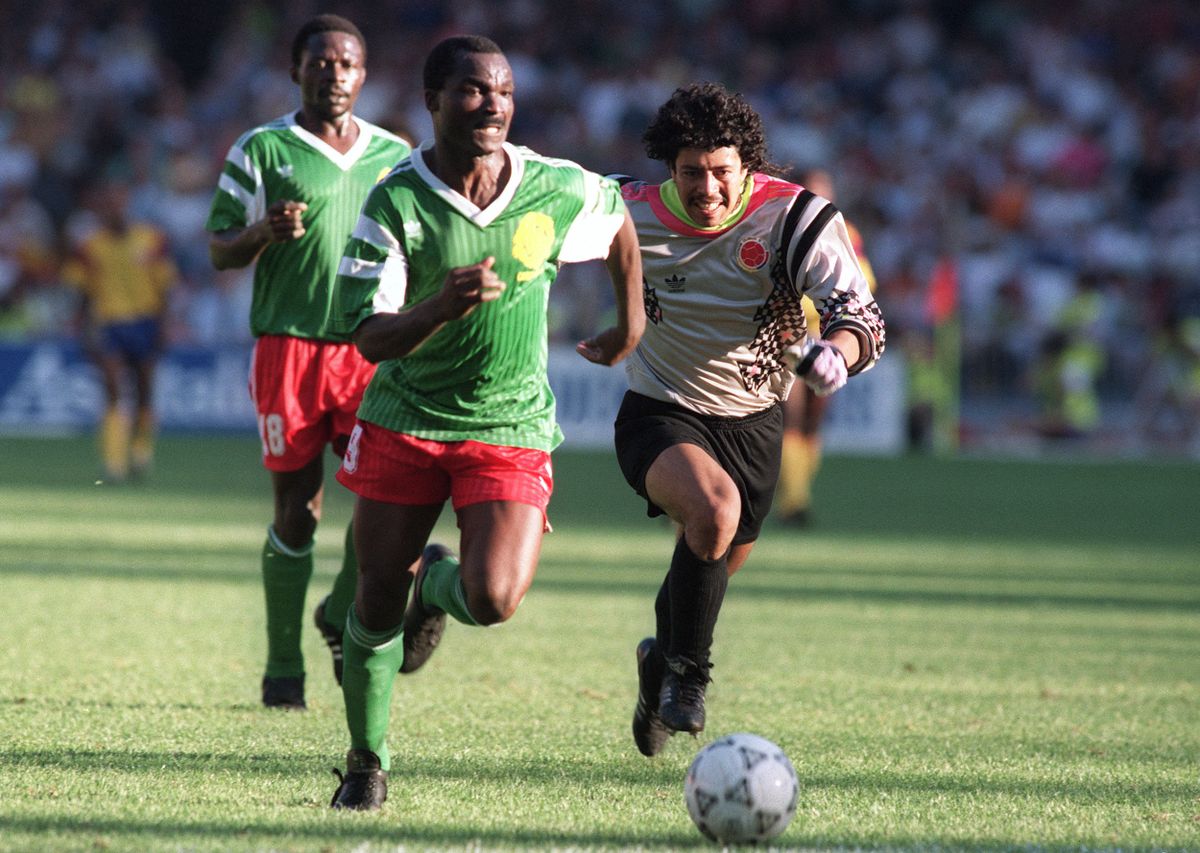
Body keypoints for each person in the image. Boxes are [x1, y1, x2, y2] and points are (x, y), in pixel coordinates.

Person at [325, 34, 643, 810]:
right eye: (471, 90)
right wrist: (439, 306)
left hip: (507, 422)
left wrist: (629, 323)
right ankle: (367, 761)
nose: (491, 103)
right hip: (405, 418)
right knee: (372, 600)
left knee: (495, 597)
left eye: (501, 90)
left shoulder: (553, 185)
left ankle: (433, 589)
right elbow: (365, 334)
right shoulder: (396, 200)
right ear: (432, 101)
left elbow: (619, 223)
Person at [612, 83, 885, 757]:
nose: (706, 186)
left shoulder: (795, 219)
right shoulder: (622, 209)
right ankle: (688, 676)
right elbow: (530, 224)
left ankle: (659, 665)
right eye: (690, 172)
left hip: (755, 422)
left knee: (709, 562)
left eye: (721, 171)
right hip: (659, 408)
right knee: (710, 510)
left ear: (748, 165)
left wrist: (837, 354)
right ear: (668, 168)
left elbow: (863, 315)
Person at [205, 14, 412, 711]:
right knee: (299, 511)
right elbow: (218, 247)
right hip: (288, 347)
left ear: (364, 73)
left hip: (369, 348)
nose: (333, 73)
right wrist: (262, 231)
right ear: (296, 70)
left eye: (346, 63)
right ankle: (282, 666)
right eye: (319, 62)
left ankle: (340, 609)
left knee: (384, 501)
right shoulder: (261, 149)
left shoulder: (396, 154)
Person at [775, 167, 878, 526]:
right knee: (792, 417)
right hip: (787, 340)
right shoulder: (779, 229)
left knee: (813, 425)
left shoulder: (846, 234)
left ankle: (797, 492)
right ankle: (794, 501)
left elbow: (863, 282)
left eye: (824, 191)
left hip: (828, 340)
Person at [63, 176, 178, 483]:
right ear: (101, 208)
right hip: (109, 322)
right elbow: (81, 291)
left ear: (128, 203)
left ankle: (140, 452)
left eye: (120, 200)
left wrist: (165, 324)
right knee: (113, 389)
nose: (115, 208)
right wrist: (81, 326)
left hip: (146, 321)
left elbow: (165, 285)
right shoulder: (90, 246)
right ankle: (112, 464)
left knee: (144, 392)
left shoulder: (151, 239)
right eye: (108, 203)